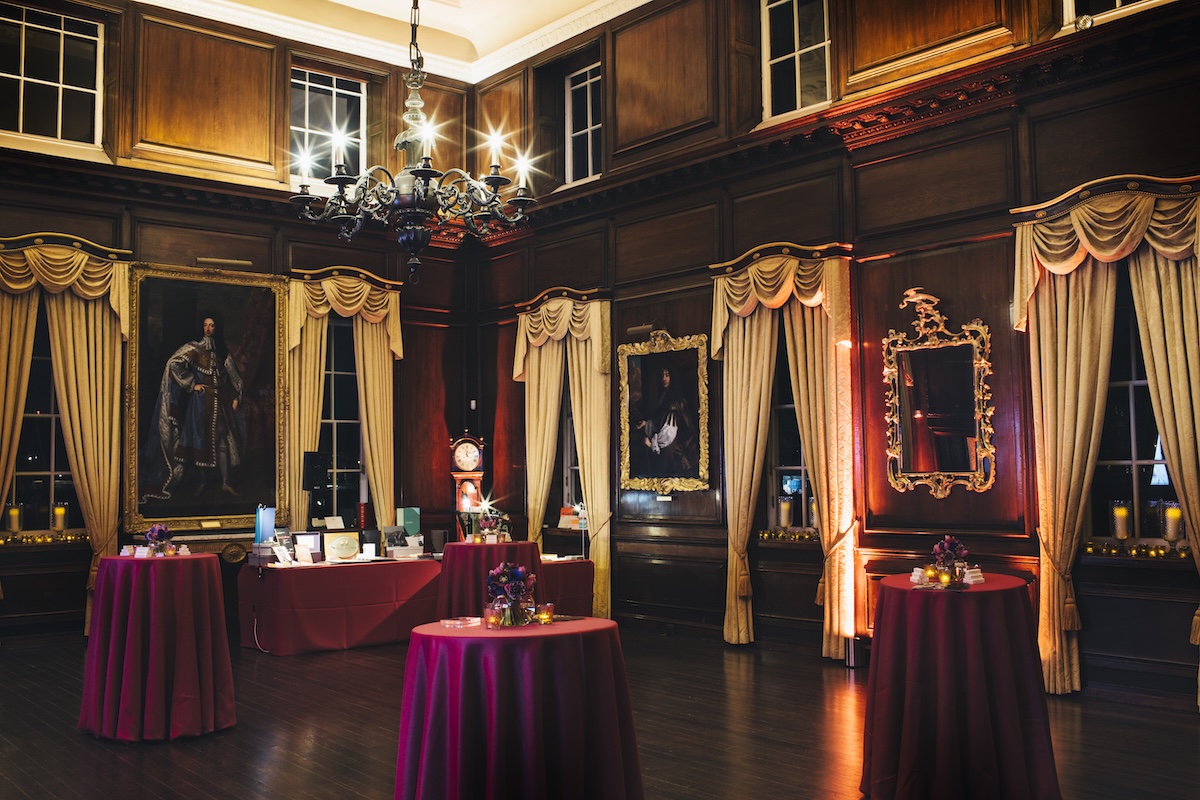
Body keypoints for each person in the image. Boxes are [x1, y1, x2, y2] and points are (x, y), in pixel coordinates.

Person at [141, 315, 245, 500]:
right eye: (205, 325)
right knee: (200, 441)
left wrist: (236, 397)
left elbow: (235, 378)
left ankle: (226, 482)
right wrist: (191, 384)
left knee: (222, 439)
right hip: (200, 403)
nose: (208, 329)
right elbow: (173, 365)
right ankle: (203, 482)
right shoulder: (194, 349)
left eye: (212, 325)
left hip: (220, 402)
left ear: (217, 328)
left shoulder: (222, 352)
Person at [634, 363, 696, 478]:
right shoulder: (663, 397)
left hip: (675, 444)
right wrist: (646, 423)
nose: (664, 379)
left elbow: (677, 427)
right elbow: (660, 420)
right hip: (666, 440)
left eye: (667, 375)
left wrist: (654, 443)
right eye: (662, 375)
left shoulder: (678, 401)